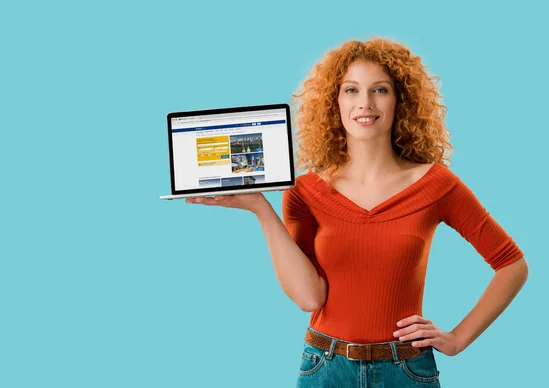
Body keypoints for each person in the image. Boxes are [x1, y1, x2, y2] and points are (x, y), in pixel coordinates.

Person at [186, 37, 529, 387]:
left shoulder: (436, 183)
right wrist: (260, 207)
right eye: (351, 90)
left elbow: (511, 264)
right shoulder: (304, 192)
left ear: (400, 101)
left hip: (407, 370)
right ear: (334, 101)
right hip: (325, 367)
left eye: (379, 90)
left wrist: (457, 339)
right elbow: (309, 297)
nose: (365, 103)